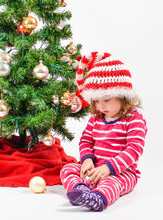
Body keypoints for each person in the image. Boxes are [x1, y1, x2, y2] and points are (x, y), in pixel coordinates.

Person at [60, 52, 147, 211]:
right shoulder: (97, 118)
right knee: (68, 168)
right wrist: (87, 160)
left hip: (121, 172)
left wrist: (109, 168)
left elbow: (134, 149)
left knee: (111, 183)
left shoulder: (133, 119)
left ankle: (99, 199)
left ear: (123, 96)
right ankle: (81, 189)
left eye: (106, 100)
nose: (100, 106)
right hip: (94, 168)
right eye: (96, 101)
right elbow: (86, 140)